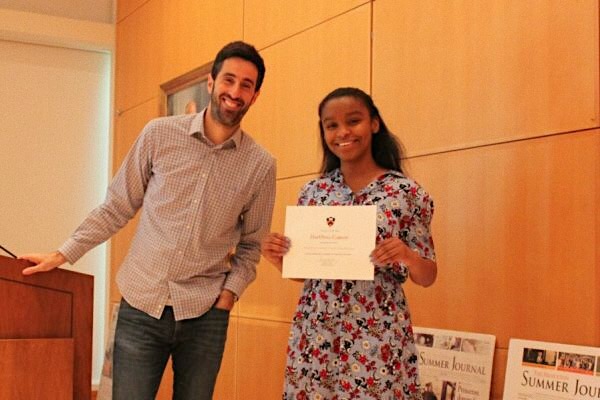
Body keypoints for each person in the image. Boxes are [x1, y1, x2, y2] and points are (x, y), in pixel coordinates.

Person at [20, 41, 276, 400]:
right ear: (211, 82)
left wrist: (228, 297)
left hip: (206, 314)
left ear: (255, 95)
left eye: (246, 85)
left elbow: (251, 245)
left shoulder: (260, 165)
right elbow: (117, 206)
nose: (235, 92)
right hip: (141, 306)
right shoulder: (159, 134)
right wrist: (62, 254)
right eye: (228, 80)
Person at [261, 87, 437, 399]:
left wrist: (407, 255)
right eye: (331, 125)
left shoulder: (406, 193)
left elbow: (428, 275)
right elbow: (306, 271)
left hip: (378, 328)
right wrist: (280, 259)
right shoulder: (313, 192)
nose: (343, 132)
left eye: (353, 121)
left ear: (374, 123)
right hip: (317, 328)